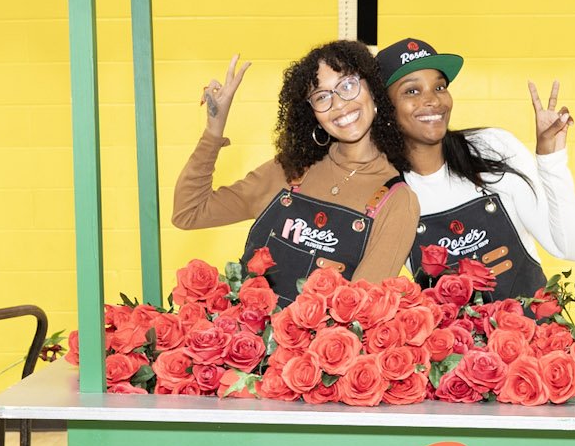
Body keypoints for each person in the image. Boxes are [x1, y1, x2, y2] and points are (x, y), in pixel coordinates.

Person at [172, 40, 421, 304]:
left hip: (322, 345)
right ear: (312, 113)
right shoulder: (288, 170)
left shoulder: (398, 201)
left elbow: (359, 312)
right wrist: (213, 130)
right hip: (245, 340)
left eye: (348, 85)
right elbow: (189, 213)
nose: (338, 104)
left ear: (373, 90)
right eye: (322, 96)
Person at [377, 37, 575, 301]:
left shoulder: (491, 148)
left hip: (535, 338)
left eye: (440, 87)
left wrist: (551, 159)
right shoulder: (387, 192)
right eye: (412, 91)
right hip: (450, 342)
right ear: (385, 109)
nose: (433, 100)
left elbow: (573, 248)